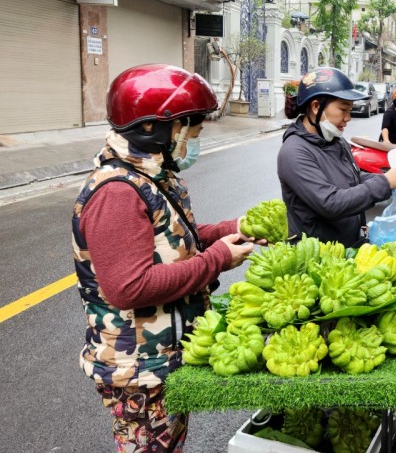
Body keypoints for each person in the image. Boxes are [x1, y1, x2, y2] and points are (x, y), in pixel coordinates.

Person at [72, 64, 258, 452]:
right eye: (192, 133)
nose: (193, 143)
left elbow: (173, 239)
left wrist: (230, 229)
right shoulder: (117, 193)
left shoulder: (149, 175)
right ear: (152, 129)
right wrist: (217, 259)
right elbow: (128, 287)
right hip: (138, 369)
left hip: (160, 360)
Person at [277, 67, 396, 247]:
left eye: (350, 110)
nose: (348, 118)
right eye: (343, 109)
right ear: (316, 107)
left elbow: (354, 178)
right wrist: (386, 182)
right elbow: (330, 203)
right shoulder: (294, 152)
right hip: (317, 255)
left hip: (347, 246)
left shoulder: (336, 141)